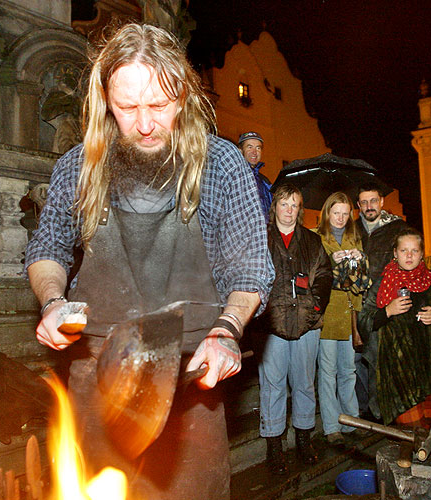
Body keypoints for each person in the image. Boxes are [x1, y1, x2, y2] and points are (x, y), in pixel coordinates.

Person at [24, 24, 274, 500]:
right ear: (105, 101)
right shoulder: (78, 167)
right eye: (127, 107)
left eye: (158, 106)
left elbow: (250, 271)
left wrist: (226, 333)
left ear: (183, 95)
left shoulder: (221, 164)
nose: (143, 124)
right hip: (95, 378)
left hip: (189, 380)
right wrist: (53, 301)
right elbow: (47, 249)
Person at [258, 184, 332, 474]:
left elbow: (324, 274)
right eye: (284, 204)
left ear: (300, 210)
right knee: (272, 387)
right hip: (271, 325)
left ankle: (304, 439)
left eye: (295, 205)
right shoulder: (260, 237)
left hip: (306, 323)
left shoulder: (312, 241)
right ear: (275, 206)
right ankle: (274, 447)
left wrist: (316, 305)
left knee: (304, 384)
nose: (289, 211)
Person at [358, 227, 431, 426]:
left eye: (414, 251)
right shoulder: (383, 284)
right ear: (395, 253)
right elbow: (364, 322)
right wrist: (387, 311)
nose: (409, 256)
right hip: (398, 373)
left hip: (430, 369)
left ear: (422, 254)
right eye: (403, 250)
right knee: (409, 430)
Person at [354, 182, 408, 420]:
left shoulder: (397, 229)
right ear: (358, 205)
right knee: (356, 361)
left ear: (382, 202)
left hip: (386, 302)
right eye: (364, 202)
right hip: (356, 302)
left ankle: (383, 412)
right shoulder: (350, 230)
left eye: (373, 201)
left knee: (381, 360)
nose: (369, 206)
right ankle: (365, 410)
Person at [315, 192, 363, 444]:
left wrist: (359, 261)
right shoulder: (316, 237)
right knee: (328, 371)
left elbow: (360, 279)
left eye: (345, 213)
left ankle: (351, 419)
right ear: (327, 213)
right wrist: (330, 261)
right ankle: (332, 425)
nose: (341, 218)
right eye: (336, 213)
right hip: (327, 314)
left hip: (349, 313)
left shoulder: (353, 238)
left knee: (349, 369)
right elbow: (314, 275)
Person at [239, 131, 272, 222]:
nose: (254, 152)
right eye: (249, 147)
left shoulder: (265, 182)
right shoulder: (234, 178)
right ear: (240, 150)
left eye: (258, 148)